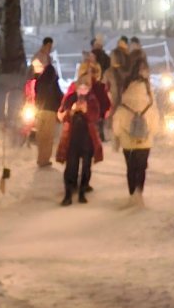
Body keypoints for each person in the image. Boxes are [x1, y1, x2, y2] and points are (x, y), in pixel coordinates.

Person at [56, 61, 104, 204]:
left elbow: (96, 115)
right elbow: (61, 114)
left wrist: (86, 111)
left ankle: (83, 190)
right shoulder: (70, 98)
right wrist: (70, 112)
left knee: (86, 166)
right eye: (80, 87)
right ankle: (68, 193)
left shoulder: (92, 100)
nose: (82, 89)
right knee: (71, 165)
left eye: (85, 87)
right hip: (72, 137)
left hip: (87, 138)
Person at [112, 56, 160, 199]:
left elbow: (118, 116)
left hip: (127, 139)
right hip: (144, 138)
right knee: (142, 167)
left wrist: (118, 134)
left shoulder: (125, 91)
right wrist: (152, 131)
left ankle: (132, 193)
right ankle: (139, 193)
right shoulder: (148, 94)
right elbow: (154, 116)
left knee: (130, 168)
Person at [33, 43, 63, 168]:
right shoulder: (52, 80)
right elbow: (58, 95)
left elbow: (36, 92)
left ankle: (41, 158)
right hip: (50, 110)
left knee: (41, 135)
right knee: (48, 136)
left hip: (40, 110)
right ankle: (45, 159)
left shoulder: (40, 80)